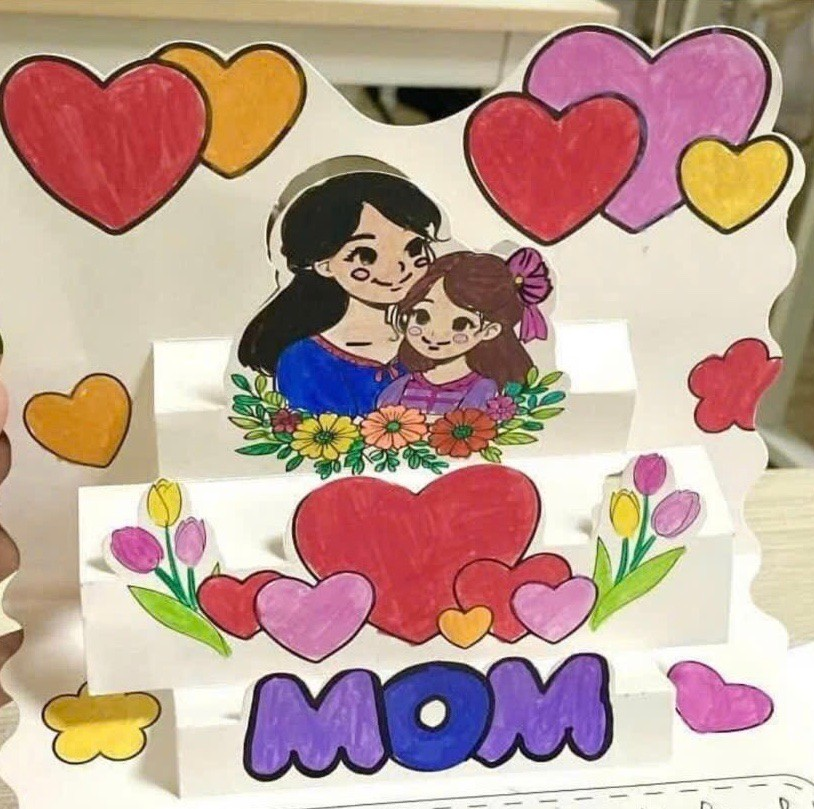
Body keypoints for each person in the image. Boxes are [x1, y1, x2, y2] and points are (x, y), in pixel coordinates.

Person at [237, 171, 443, 417]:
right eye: (366, 256)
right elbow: (319, 436)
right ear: (324, 264)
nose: (399, 267)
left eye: (414, 248)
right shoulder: (305, 360)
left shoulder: (442, 338)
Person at [378, 250, 549, 415]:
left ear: (490, 331)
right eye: (422, 316)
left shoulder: (486, 391)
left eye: (460, 324)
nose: (435, 333)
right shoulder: (400, 385)